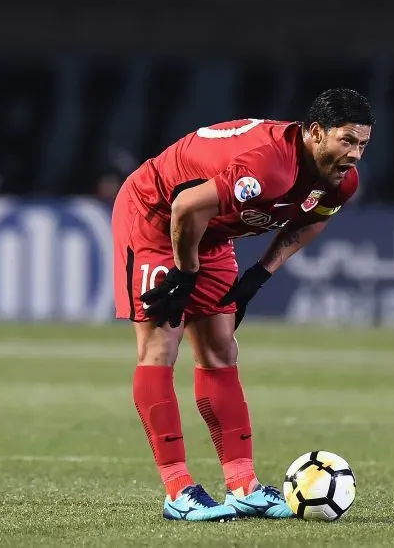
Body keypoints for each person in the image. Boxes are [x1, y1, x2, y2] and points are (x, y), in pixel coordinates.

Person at [111, 88, 375, 521]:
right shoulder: (267, 166)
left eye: (363, 144)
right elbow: (183, 207)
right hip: (156, 216)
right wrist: (185, 273)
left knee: (220, 349)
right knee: (161, 345)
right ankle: (178, 491)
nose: (355, 154)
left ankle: (243, 486)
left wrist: (260, 273)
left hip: (209, 232)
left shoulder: (342, 180)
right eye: (347, 141)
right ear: (314, 133)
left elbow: (310, 222)